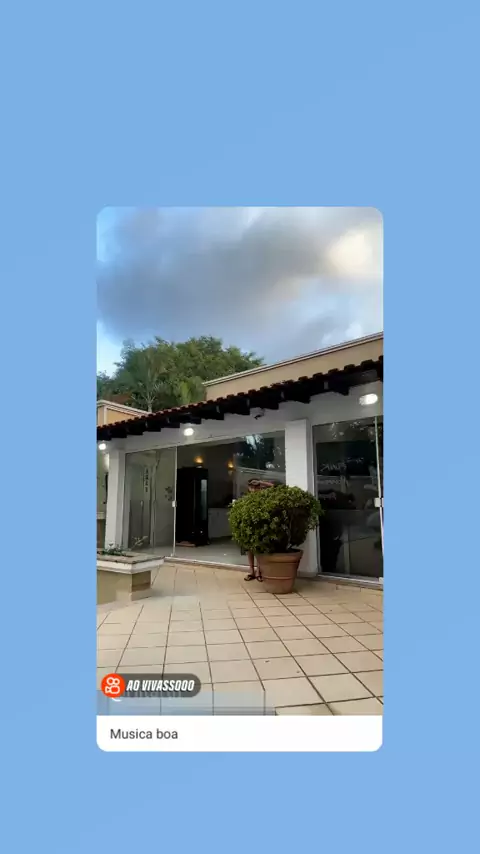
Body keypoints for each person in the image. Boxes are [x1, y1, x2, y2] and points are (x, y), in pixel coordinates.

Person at [243, 478, 276, 581]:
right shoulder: (246, 498)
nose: (254, 489)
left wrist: (261, 482)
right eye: (251, 487)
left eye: (256, 487)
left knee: (259, 548)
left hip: (260, 525)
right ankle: (251, 571)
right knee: (250, 548)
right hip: (249, 525)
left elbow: (273, 487)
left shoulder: (263, 496)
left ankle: (259, 571)